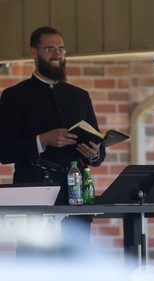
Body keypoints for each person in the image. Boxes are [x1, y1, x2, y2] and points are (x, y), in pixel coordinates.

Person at [0, 26, 106, 243]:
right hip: (33, 194)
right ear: (34, 52)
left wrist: (94, 153)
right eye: (50, 48)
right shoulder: (15, 96)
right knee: (35, 267)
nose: (57, 54)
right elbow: (4, 152)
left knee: (77, 268)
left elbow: (99, 151)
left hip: (75, 194)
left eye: (61, 49)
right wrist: (43, 140)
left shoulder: (80, 97)